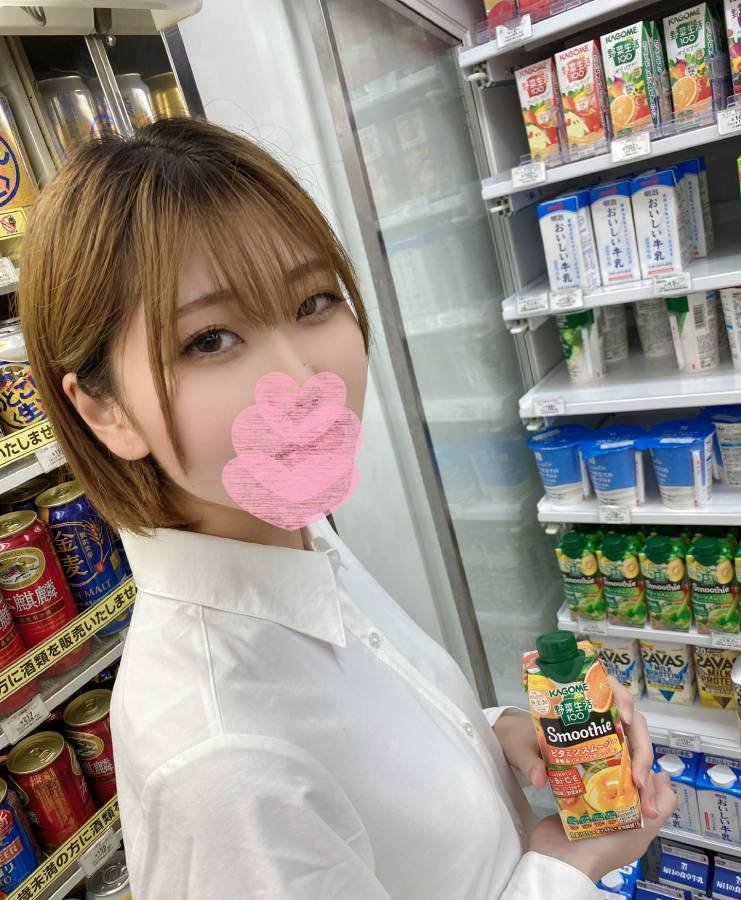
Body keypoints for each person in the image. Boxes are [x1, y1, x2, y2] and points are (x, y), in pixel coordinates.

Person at [18, 118, 675, 899]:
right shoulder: (218, 758)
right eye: (210, 340)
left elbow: (366, 753)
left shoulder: (291, 535)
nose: (302, 379)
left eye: (314, 300)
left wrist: (495, 730)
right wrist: (567, 870)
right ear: (104, 410)